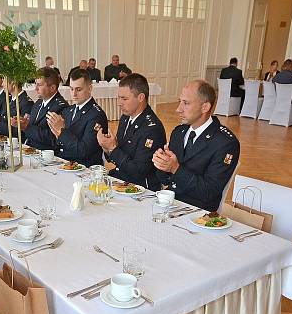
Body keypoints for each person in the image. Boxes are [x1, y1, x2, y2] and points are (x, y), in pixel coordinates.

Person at [152, 80, 239, 212]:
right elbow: (165, 179)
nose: (178, 109)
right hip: (171, 203)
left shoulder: (225, 143)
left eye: (186, 103)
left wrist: (175, 168)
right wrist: (162, 164)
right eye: (179, 101)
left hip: (197, 213)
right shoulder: (179, 132)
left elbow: (209, 192)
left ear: (205, 107)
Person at [97, 73, 165, 190]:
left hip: (140, 188)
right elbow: (121, 153)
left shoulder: (152, 129)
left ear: (141, 98)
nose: (119, 103)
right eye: (119, 97)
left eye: (124, 98)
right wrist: (107, 148)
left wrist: (113, 149)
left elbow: (139, 171)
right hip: (122, 178)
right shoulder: (126, 118)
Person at [46, 67, 108, 167]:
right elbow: (58, 143)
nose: (74, 94)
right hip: (63, 163)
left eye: (78, 89)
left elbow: (84, 151)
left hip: (84, 168)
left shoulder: (96, 115)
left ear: (90, 88)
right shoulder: (68, 110)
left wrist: (61, 131)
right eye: (71, 89)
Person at [12, 68, 68, 150]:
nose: (36, 88)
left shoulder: (60, 107)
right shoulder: (38, 103)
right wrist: (23, 122)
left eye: (39, 85)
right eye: (35, 84)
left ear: (52, 88)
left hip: (46, 154)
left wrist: (27, 127)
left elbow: (53, 138)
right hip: (31, 148)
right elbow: (32, 126)